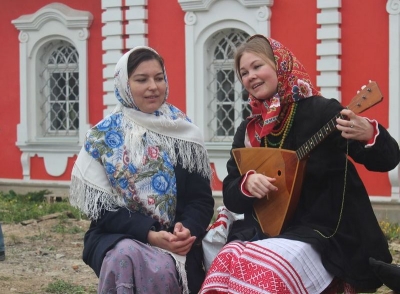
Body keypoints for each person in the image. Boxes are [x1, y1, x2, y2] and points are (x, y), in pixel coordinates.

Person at [200, 35, 400, 293]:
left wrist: (370, 134)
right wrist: (246, 184)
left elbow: (388, 159)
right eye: (243, 72)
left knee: (268, 271)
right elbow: (230, 195)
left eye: (257, 66)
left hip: (323, 231)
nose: (251, 76)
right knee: (225, 262)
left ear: (280, 64)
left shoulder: (321, 111)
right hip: (267, 230)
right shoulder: (249, 130)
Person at [69, 46, 214, 294]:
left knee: (162, 265)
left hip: (176, 241)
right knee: (125, 256)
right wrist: (148, 234)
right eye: (141, 79)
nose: (153, 86)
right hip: (117, 235)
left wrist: (187, 229)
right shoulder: (103, 137)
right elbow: (102, 209)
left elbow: (201, 200)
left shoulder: (185, 133)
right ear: (124, 84)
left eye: (159, 78)